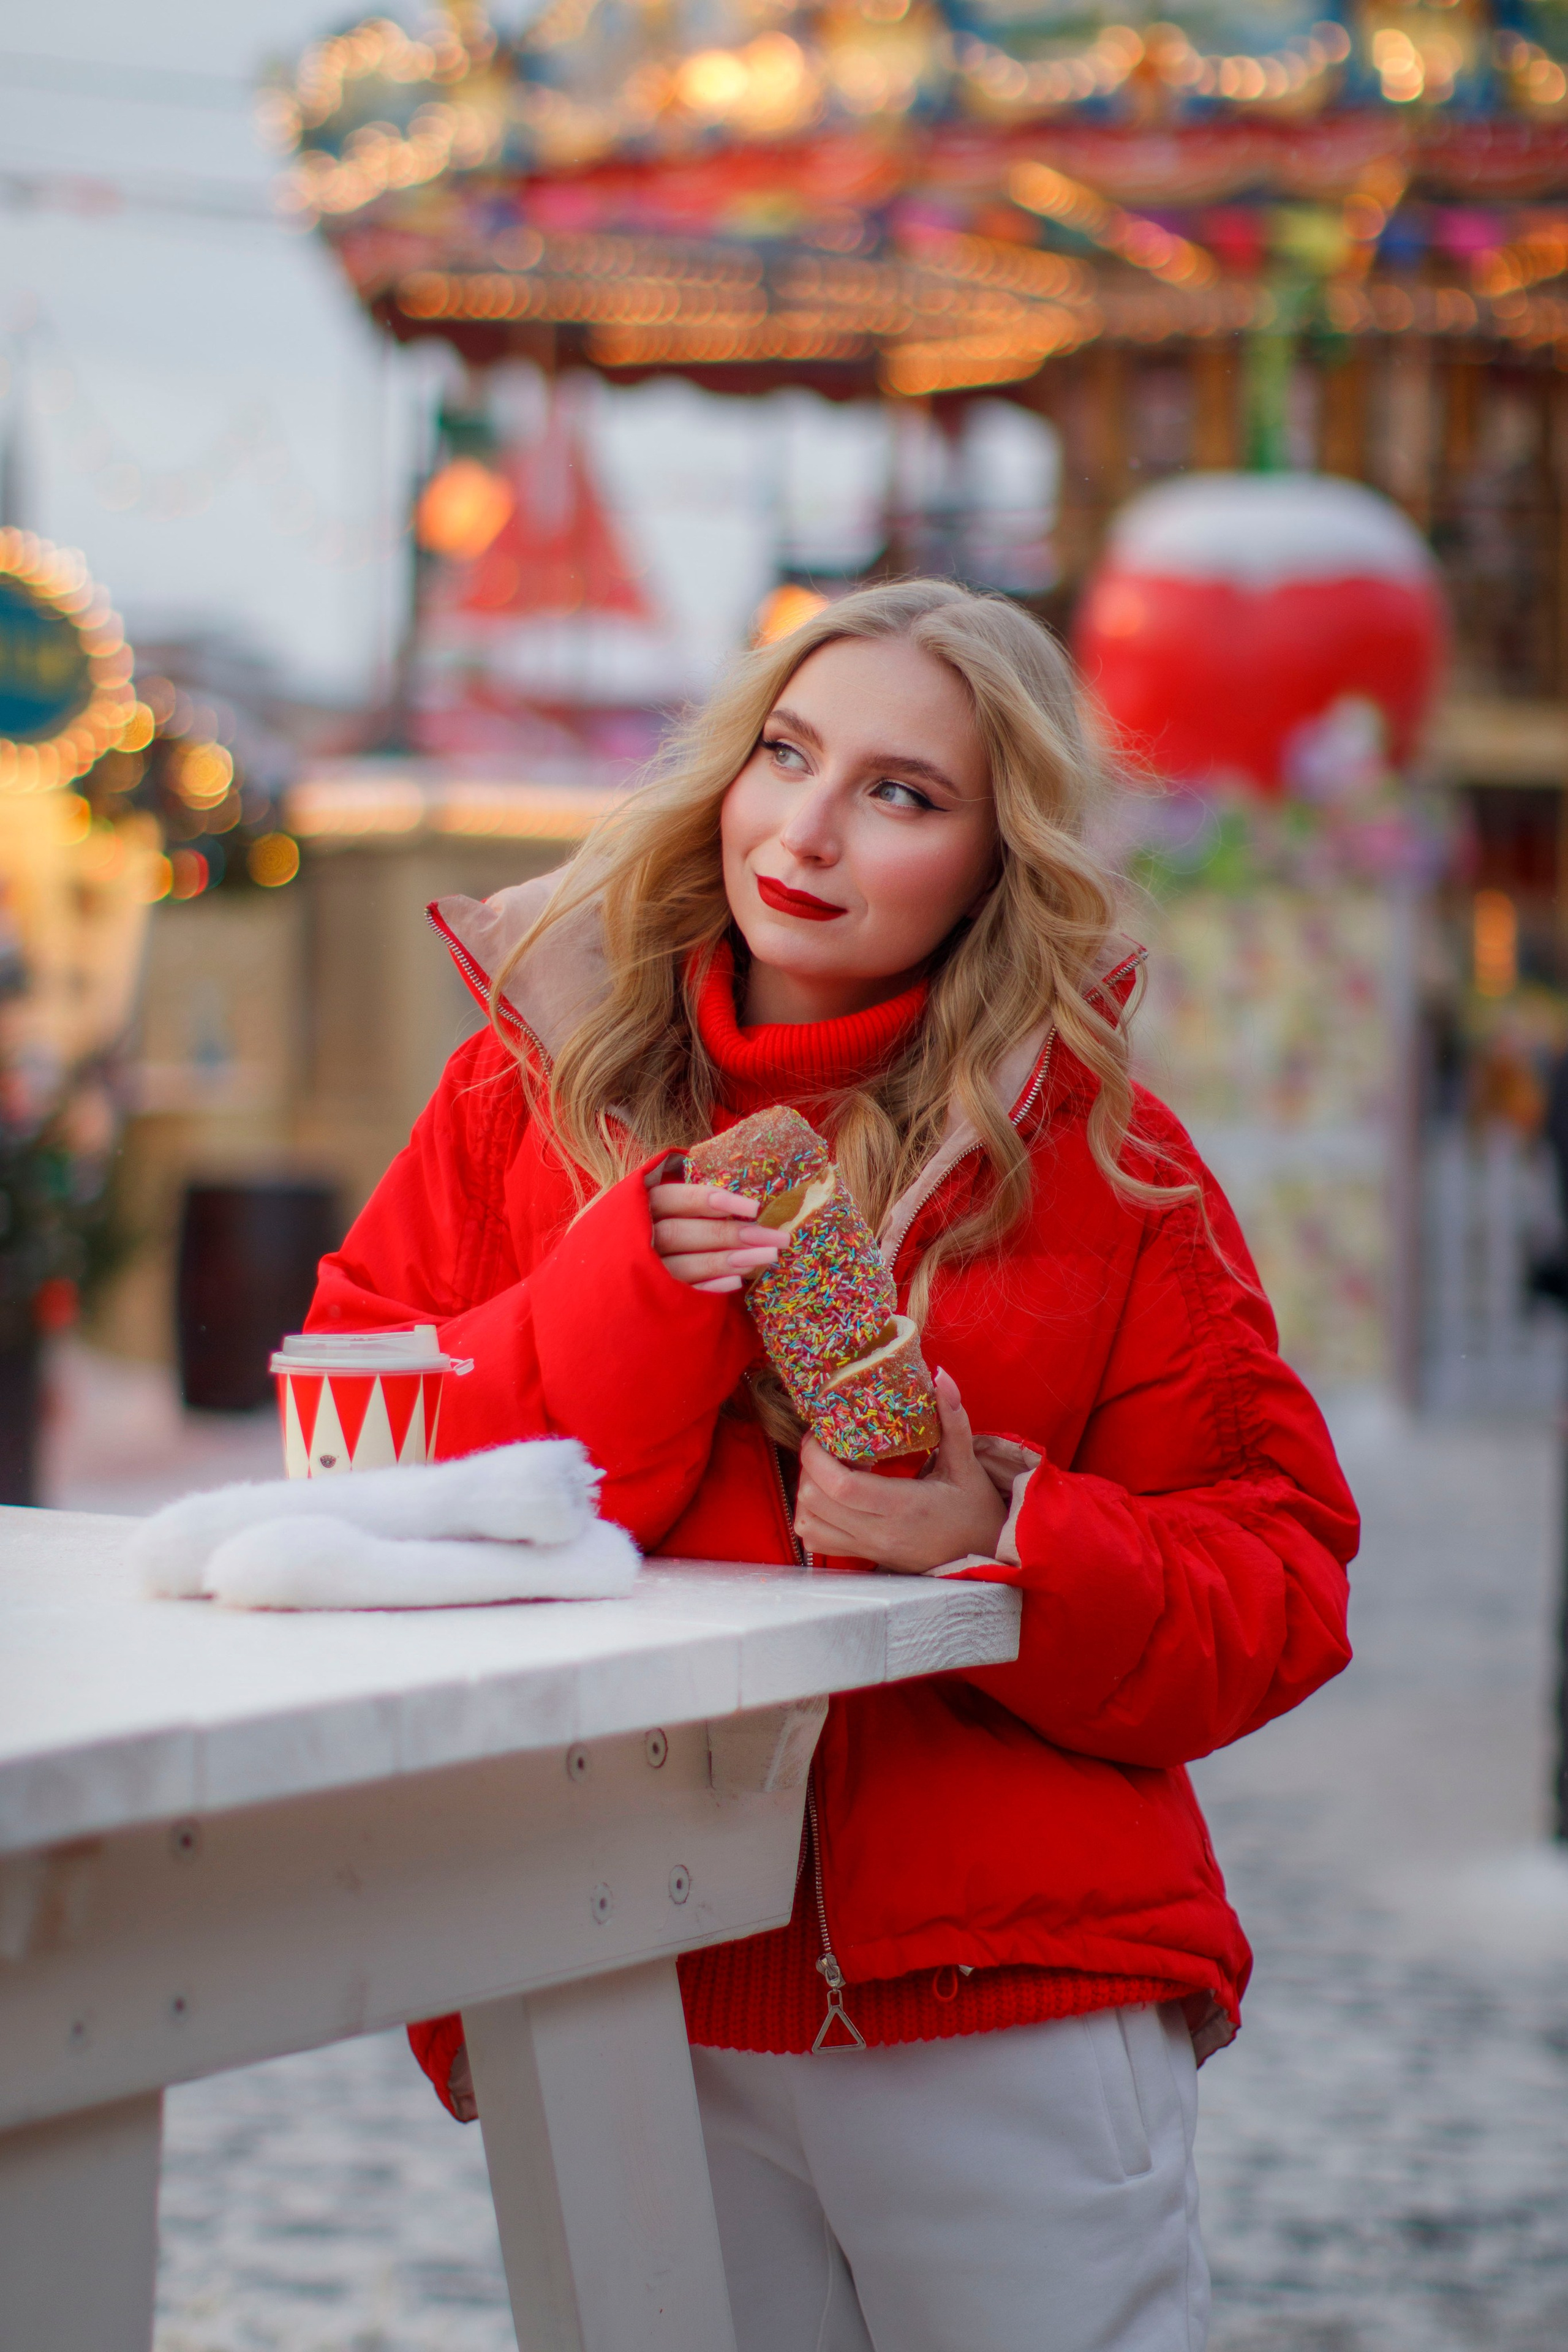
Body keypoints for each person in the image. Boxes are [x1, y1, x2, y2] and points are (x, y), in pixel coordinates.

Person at [307, 579, 1357, 2352]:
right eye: (785, 754)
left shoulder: (1102, 1156)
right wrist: (616, 1302)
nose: (805, 828)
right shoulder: (524, 1099)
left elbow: (1279, 1581)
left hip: (1003, 2003)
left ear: (993, 858)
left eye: (902, 792)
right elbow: (347, 1450)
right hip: (618, 1966)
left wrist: (1003, 1536)